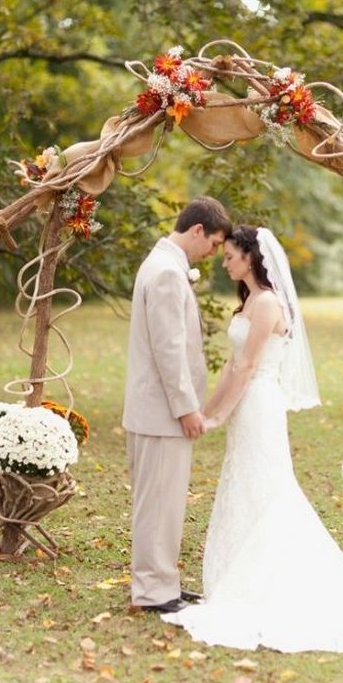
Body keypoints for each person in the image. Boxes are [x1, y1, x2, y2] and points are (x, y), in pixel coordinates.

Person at [163, 225, 343, 651]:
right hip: (244, 403)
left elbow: (247, 368)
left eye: (231, 256)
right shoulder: (250, 303)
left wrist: (218, 416)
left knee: (267, 487)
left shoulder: (268, 304)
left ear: (252, 258)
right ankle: (236, 576)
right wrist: (206, 410)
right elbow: (230, 367)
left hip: (259, 404)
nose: (224, 262)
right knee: (244, 484)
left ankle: (269, 583)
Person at [122, 197, 232, 614]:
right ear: (197, 230)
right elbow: (169, 350)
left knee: (163, 503)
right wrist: (187, 408)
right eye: (215, 243)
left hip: (154, 410)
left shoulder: (162, 264)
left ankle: (162, 581)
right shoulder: (167, 272)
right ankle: (153, 592)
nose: (215, 252)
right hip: (161, 413)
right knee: (158, 504)